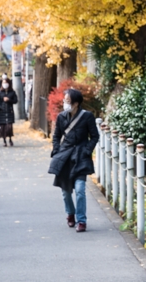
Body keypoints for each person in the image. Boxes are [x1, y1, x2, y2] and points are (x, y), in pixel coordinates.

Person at [49, 89, 99, 233]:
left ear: (76, 103)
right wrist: (57, 150)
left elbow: (94, 136)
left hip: (80, 157)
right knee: (65, 192)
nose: (65, 103)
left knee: (80, 190)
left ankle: (81, 220)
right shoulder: (61, 117)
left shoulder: (87, 116)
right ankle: (70, 213)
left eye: (68, 101)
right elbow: (56, 136)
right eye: (65, 101)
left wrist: (86, 150)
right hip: (65, 157)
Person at [0, 78, 18, 147]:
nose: (5, 84)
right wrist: (0, 107)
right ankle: (4, 140)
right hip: (2, 111)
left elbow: (15, 100)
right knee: (3, 127)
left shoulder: (12, 92)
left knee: (9, 126)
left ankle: (10, 138)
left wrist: (9, 100)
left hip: (9, 111)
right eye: (3, 83)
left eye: (6, 83)